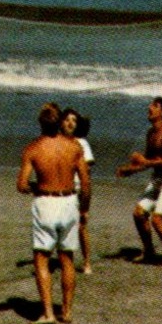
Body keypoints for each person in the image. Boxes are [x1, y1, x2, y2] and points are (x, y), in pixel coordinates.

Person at [19, 104, 90, 324]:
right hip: (69, 200)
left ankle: (48, 312)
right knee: (67, 257)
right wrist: (84, 208)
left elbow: (21, 185)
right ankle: (66, 311)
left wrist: (36, 187)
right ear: (60, 123)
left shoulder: (32, 148)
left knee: (41, 257)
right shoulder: (74, 146)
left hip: (46, 201)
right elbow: (86, 183)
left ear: (40, 123)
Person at [117, 97, 162, 268]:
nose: (149, 107)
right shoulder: (151, 133)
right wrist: (129, 170)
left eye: (154, 106)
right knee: (138, 213)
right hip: (158, 179)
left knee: (157, 220)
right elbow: (148, 161)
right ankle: (149, 251)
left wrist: (145, 163)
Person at [70, 113, 96, 274]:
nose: (70, 123)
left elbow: (87, 169)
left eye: (74, 121)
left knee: (81, 225)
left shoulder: (81, 143)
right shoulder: (63, 141)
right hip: (66, 187)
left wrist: (85, 204)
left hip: (78, 187)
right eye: (67, 120)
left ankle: (87, 262)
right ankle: (68, 260)